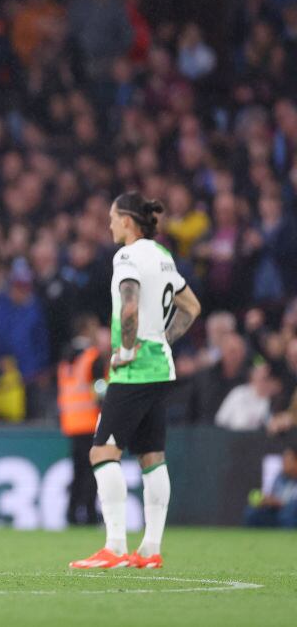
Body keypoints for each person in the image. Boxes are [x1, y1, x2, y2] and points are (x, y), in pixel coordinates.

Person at [71, 193, 201, 570]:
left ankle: (114, 546)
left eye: (113, 217)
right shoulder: (163, 256)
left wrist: (127, 350)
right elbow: (191, 307)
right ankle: (150, 549)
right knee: (152, 457)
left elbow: (129, 305)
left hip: (135, 370)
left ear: (128, 221)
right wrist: (162, 339)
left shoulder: (127, 256)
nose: (109, 224)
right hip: (161, 367)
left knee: (102, 453)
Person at [58, 314, 104, 525]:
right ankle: (90, 513)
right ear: (86, 329)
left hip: (71, 422)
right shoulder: (92, 357)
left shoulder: (66, 358)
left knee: (78, 471)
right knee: (93, 471)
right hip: (90, 421)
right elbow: (99, 389)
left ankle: (72, 512)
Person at [244, 444, 297, 528]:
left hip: (291, 515)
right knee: (252, 511)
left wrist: (281, 503)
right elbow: (274, 496)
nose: (283, 462)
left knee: (290, 511)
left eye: (287, 460)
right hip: (277, 513)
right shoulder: (280, 478)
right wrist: (267, 500)